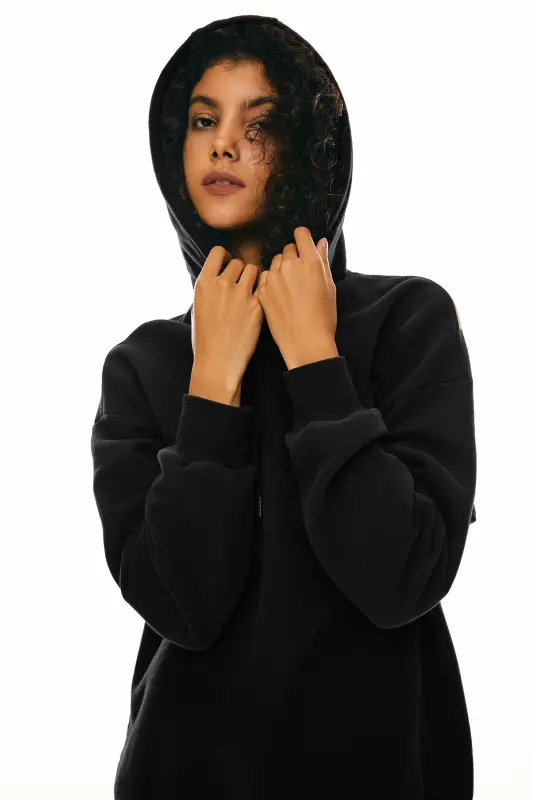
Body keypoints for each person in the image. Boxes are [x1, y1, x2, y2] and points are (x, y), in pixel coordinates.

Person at [90, 14, 478, 799]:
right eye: (204, 120)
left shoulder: (408, 321)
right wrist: (211, 387)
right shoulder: (144, 364)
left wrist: (315, 361)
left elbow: (401, 579)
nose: (223, 145)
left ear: (306, 145)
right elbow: (184, 608)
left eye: (258, 124)